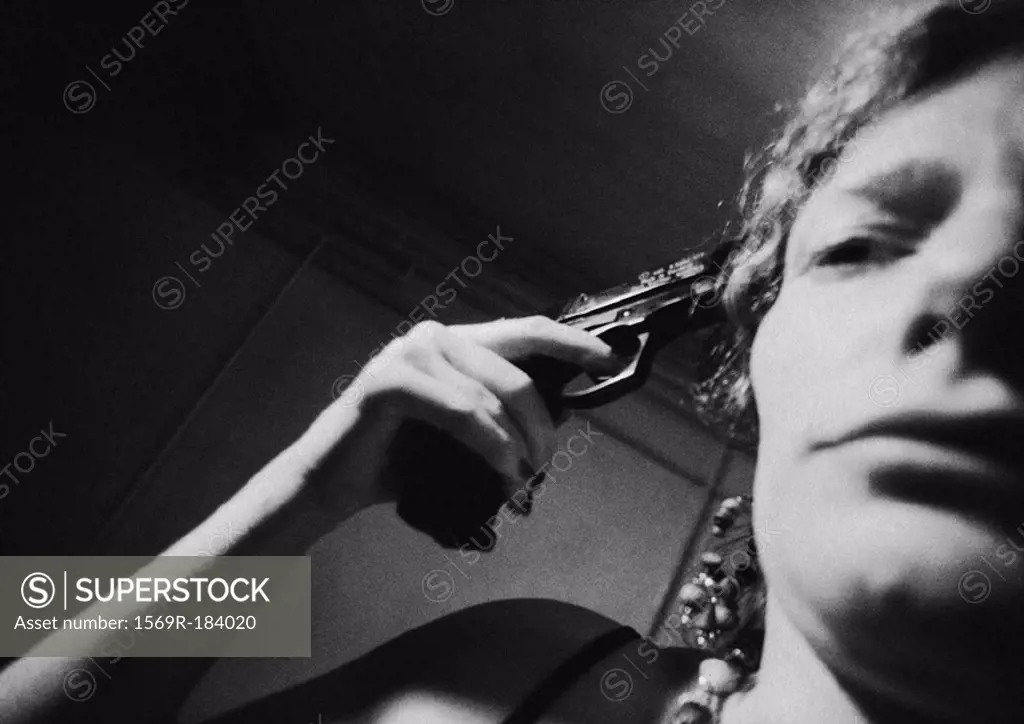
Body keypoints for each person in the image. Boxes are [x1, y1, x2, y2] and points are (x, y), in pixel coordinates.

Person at [4, 0, 1024, 721]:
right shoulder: (510, 673)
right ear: (756, 353)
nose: (971, 282)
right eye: (856, 246)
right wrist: (292, 503)